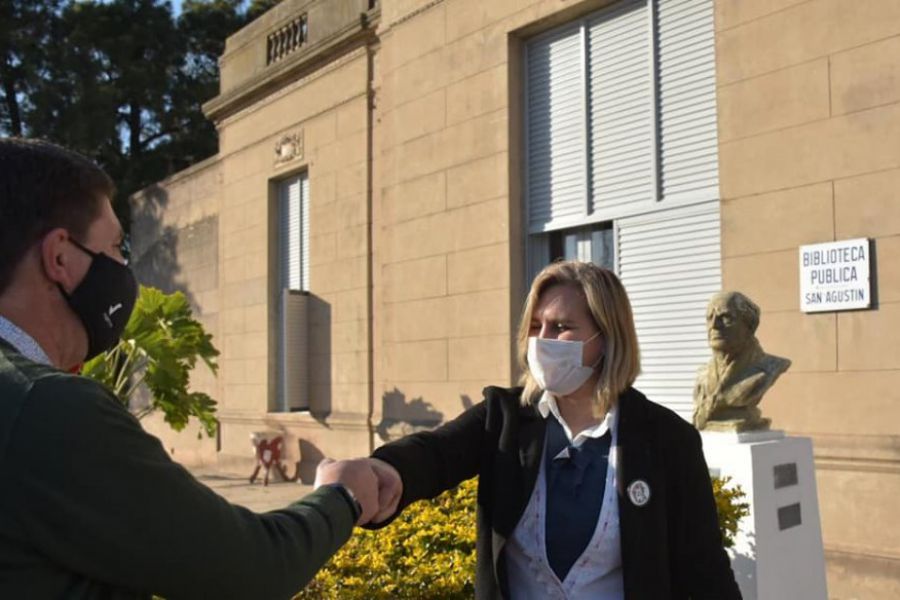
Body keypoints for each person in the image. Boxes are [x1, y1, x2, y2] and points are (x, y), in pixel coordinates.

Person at [0, 137, 387, 599]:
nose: (125, 267)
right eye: (117, 247)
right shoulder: (46, 408)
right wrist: (341, 496)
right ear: (60, 257)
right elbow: (253, 569)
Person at [361, 261, 742, 599]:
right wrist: (384, 470)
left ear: (606, 339)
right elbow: (435, 453)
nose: (541, 340)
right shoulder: (505, 418)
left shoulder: (666, 438)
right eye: (534, 326)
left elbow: (704, 567)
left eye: (561, 327)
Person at [693, 291, 791, 431]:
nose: (714, 325)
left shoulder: (769, 367)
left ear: (748, 326)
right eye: (710, 317)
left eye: (726, 317)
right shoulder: (703, 374)